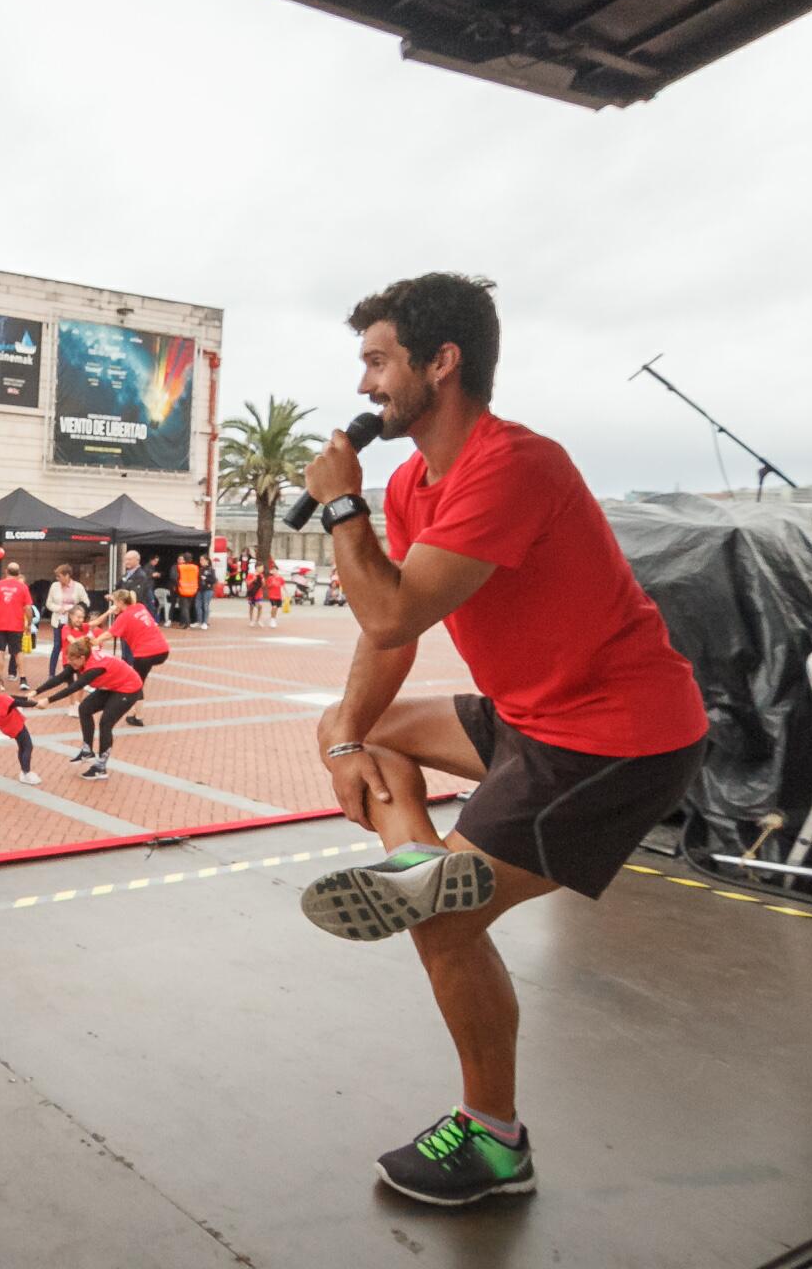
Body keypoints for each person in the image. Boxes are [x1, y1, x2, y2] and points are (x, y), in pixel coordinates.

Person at [292, 272, 708, 1207]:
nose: (363, 386)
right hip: (530, 716)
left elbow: (395, 612)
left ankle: (494, 1142)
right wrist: (344, 738)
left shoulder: (514, 466)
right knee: (361, 726)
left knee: (446, 928)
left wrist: (340, 508)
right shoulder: (410, 482)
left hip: (615, 737)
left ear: (443, 363)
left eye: (378, 362)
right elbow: (383, 635)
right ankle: (419, 868)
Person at [28, 638, 143, 782]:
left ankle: (101, 767)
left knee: (105, 723)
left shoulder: (94, 668)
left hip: (129, 688)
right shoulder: (80, 661)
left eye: (73, 660)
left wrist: (48, 700)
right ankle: (87, 751)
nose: (71, 663)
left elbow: (74, 687)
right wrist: (36, 692)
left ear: (82, 658)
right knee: (84, 708)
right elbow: (60, 678)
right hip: (113, 685)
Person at [95, 589, 169, 727]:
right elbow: (132, 595)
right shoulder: (140, 607)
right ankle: (134, 711)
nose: (114, 605)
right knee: (140, 678)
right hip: (162, 649)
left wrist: (94, 641)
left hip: (145, 653)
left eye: (115, 602)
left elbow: (109, 634)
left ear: (121, 602)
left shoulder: (124, 617)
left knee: (137, 683)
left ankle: (138, 716)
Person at [0, 671, 43, 786]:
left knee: (22, 746)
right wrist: (36, 704)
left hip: (9, 727)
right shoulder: (2, 700)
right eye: (0, 686)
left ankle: (24, 771)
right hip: (16, 725)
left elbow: (12, 698)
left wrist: (27, 698)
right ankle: (26, 772)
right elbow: (16, 702)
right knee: (28, 746)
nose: (1, 688)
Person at [0, 561, 34, 687]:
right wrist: (29, 623)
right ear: (18, 573)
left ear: (6, 571)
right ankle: (23, 679)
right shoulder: (23, 587)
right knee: (18, 652)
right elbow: (28, 608)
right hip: (16, 624)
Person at [45, 564, 89, 675]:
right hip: (59, 621)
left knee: (73, 646)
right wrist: (59, 609)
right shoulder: (54, 586)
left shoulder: (78, 587)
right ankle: (51, 673)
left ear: (67, 576)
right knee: (57, 646)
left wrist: (75, 609)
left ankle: (76, 670)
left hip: (73, 622)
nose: (58, 579)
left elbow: (86, 602)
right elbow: (49, 603)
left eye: (59, 576)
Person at [174, 554, 201, 632]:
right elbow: (198, 577)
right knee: (188, 607)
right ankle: (186, 624)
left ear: (184, 559)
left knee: (184, 608)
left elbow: (176, 578)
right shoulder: (195, 567)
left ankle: (187, 624)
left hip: (183, 589)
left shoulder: (180, 567)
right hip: (193, 589)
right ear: (191, 559)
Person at [265, 563, 286, 628]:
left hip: (278, 596)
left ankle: (274, 619)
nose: (274, 571)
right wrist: (271, 584)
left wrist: (286, 595)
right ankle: (272, 619)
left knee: (276, 608)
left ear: (277, 570)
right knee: (274, 607)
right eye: (272, 570)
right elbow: (267, 586)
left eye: (275, 570)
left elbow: (283, 586)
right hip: (272, 595)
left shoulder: (280, 578)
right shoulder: (270, 578)